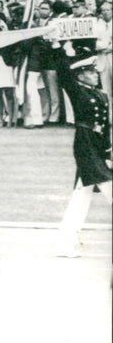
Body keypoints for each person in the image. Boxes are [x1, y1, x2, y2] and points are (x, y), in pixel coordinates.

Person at [53, 46, 111, 257]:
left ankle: (64, 241)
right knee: (109, 189)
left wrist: (107, 154)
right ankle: (65, 242)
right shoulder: (77, 89)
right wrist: (58, 48)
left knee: (81, 196)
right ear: (80, 74)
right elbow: (63, 74)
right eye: (91, 71)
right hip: (85, 144)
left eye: (95, 71)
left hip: (95, 145)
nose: (96, 74)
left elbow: (104, 128)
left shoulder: (101, 95)